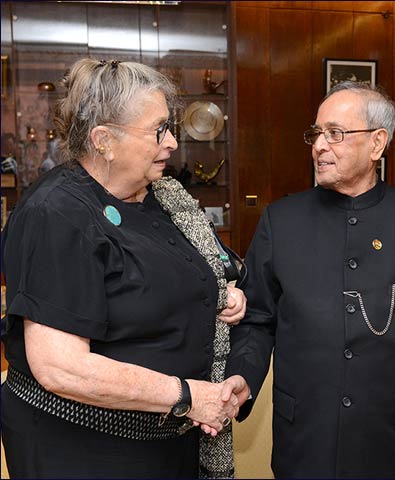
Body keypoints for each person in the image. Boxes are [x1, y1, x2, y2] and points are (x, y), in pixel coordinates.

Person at [1, 58, 251, 479]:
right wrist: (187, 395)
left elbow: (186, 274)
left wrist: (221, 295)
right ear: (104, 140)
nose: (172, 142)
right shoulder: (57, 213)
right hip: (86, 449)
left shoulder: (159, 195)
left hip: (165, 440)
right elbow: (61, 367)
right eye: (159, 130)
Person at [225, 81, 395, 478]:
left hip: (393, 439)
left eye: (336, 133)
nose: (319, 145)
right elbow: (258, 318)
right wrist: (242, 376)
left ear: (377, 143)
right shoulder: (281, 221)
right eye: (316, 134)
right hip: (305, 436)